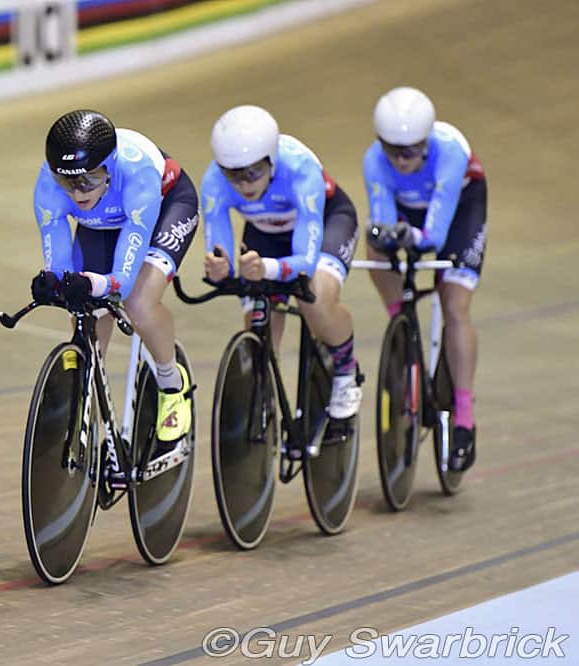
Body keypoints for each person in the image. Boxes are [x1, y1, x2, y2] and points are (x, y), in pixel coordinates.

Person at [31, 109, 199, 448]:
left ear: (110, 166)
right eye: (68, 183)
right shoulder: (49, 185)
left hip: (165, 209)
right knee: (85, 308)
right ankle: (88, 402)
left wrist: (98, 284)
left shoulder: (137, 175)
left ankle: (171, 385)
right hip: (101, 227)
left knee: (137, 302)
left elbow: (122, 278)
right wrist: (58, 282)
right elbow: (61, 266)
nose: (78, 193)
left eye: (89, 180)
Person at [202, 105, 362, 421]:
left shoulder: (300, 170)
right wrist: (222, 270)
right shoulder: (214, 181)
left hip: (326, 223)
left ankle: (346, 368)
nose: (244, 184)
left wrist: (269, 269)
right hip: (266, 234)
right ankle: (267, 409)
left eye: (253, 173)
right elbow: (219, 250)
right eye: (234, 175)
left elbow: (305, 261)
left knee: (315, 300)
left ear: (272, 161)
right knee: (259, 327)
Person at [363, 86, 486, 471]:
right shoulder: (374, 160)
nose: (401, 160)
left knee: (454, 305)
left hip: (458, 214)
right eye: (393, 150)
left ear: (427, 141)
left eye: (412, 151)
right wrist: (387, 235)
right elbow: (383, 217)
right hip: (409, 213)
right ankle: (401, 321)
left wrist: (410, 237)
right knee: (375, 250)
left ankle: (464, 416)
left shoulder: (450, 152)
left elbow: (435, 232)